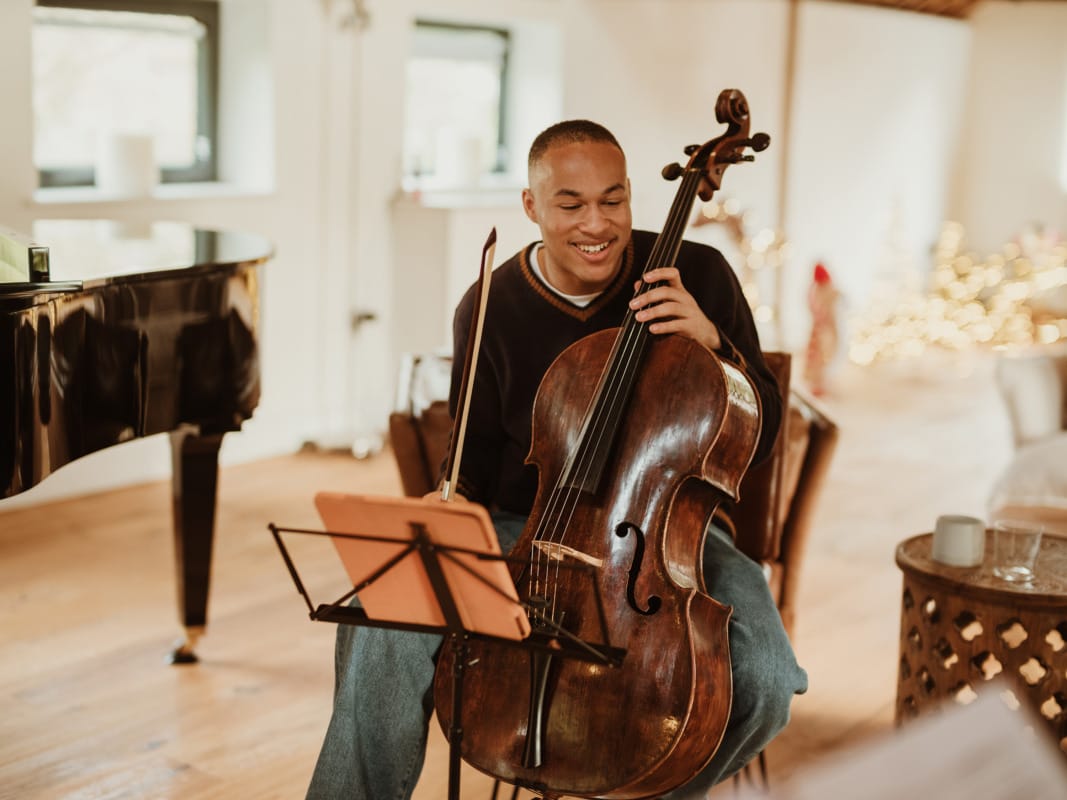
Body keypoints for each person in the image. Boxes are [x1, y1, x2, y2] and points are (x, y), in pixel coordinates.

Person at [307, 120, 807, 800]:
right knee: (383, 618)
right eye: (570, 204)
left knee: (766, 680)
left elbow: (763, 431)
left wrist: (714, 343)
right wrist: (450, 500)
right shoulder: (491, 304)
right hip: (528, 529)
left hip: (670, 539)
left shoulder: (697, 275)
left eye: (613, 200)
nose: (596, 224)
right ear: (531, 205)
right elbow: (471, 461)